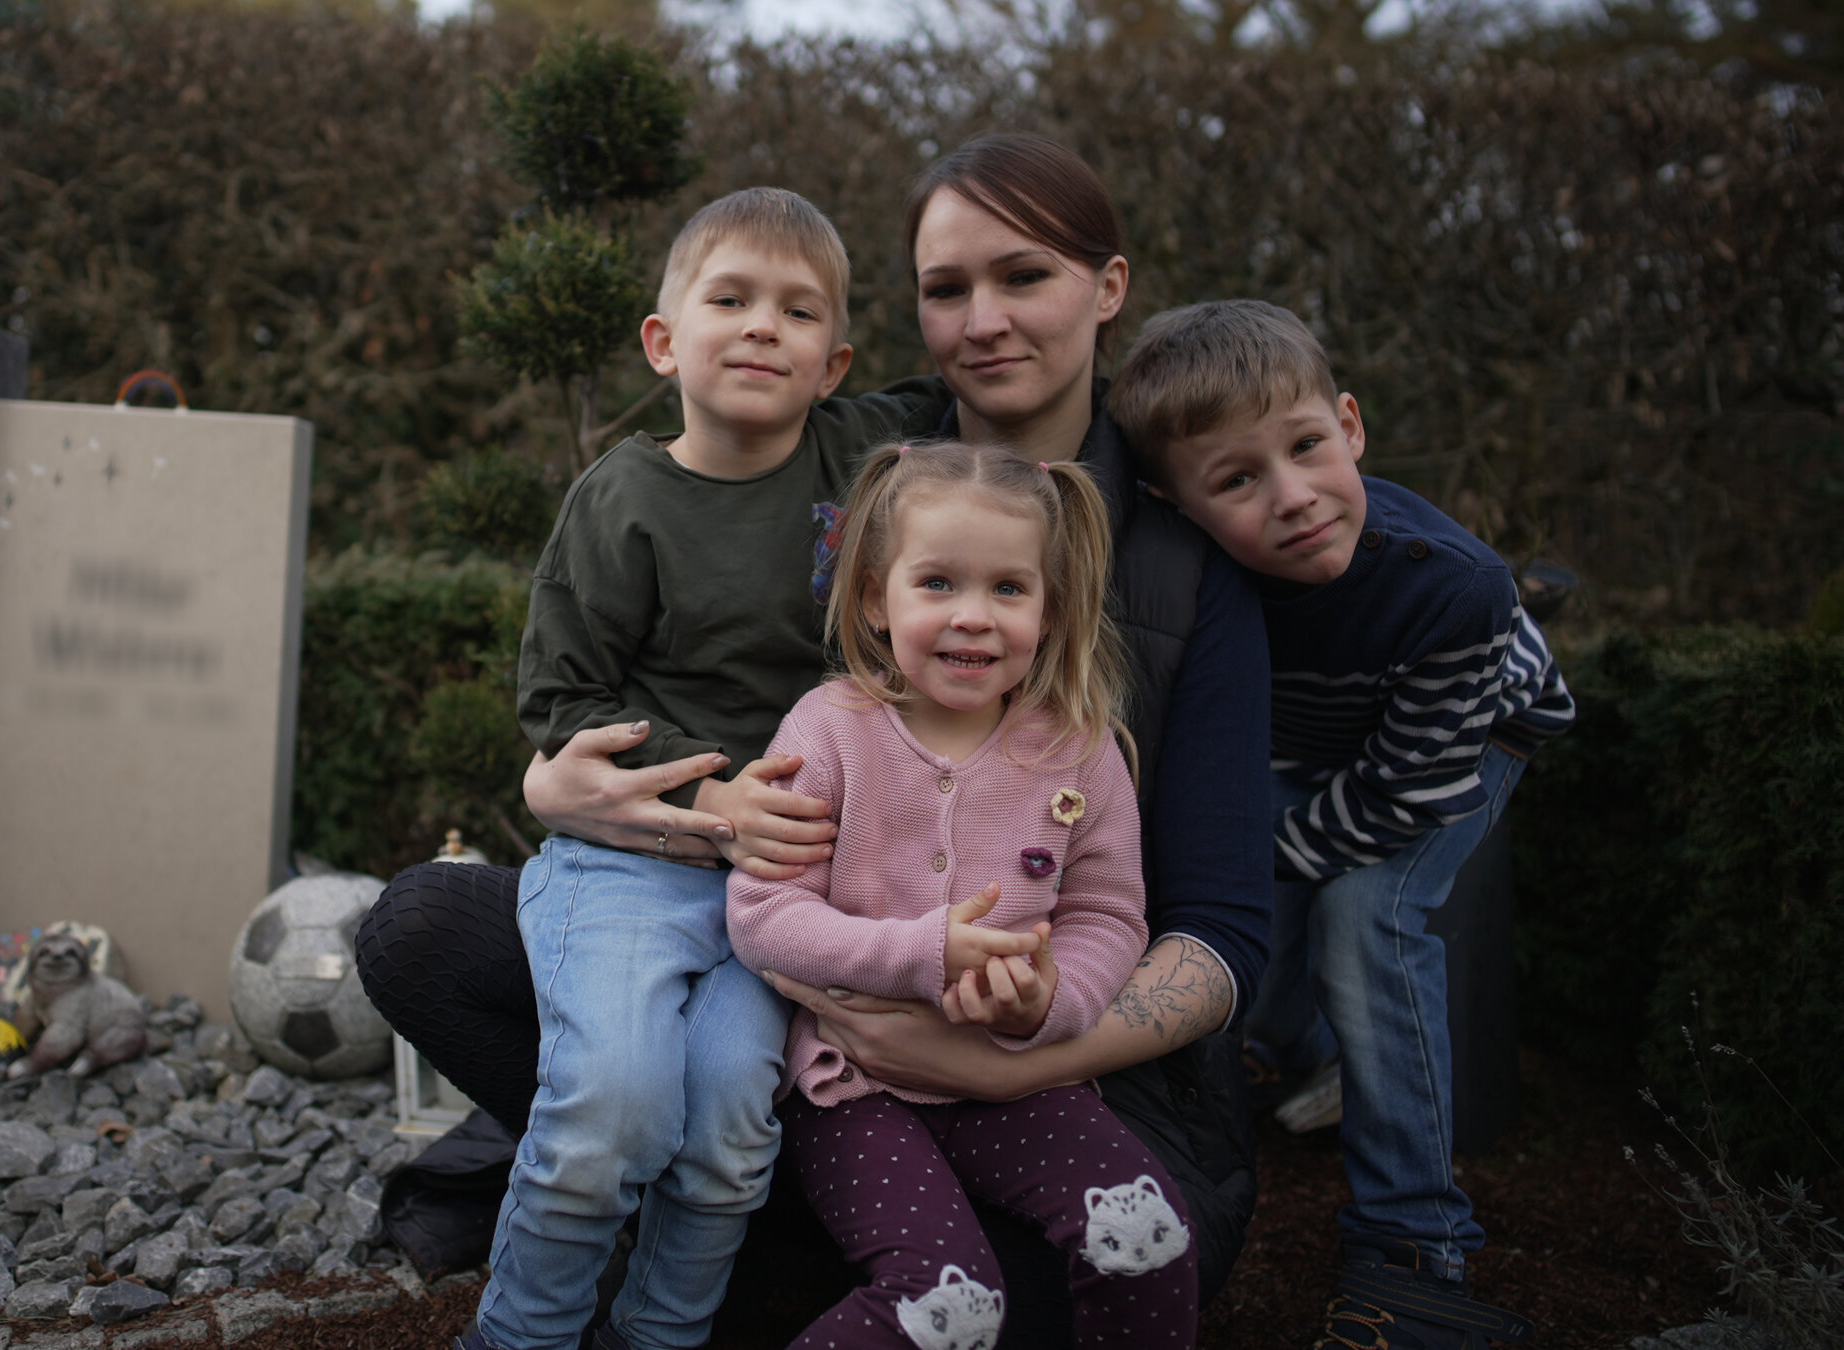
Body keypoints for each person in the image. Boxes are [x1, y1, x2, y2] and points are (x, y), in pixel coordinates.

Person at [360, 133, 1273, 1345]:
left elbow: (1218, 929)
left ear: (1105, 290)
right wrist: (573, 785)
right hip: (786, 960)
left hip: (1035, 1045)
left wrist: (1017, 1054)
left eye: (1024, 278)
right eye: (945, 290)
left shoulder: (1177, 554)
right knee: (424, 928)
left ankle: (753, 1250)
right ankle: (681, 1205)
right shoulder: (859, 452)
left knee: (1102, 1261)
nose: (983, 320)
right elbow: (619, 651)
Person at [469, 186, 946, 1350]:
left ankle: (660, 1337)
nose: (759, 328)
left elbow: (986, 388)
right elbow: (560, 701)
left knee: (732, 1128)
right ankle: (517, 1336)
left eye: (795, 313)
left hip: (778, 890)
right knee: (610, 1114)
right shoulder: (622, 500)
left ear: (831, 364)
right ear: (663, 340)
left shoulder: (858, 456)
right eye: (727, 299)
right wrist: (702, 798)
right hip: (634, 862)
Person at [1107, 298, 1573, 1348]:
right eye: (1234, 480)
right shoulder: (1202, 577)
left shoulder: (1452, 586)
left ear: (1349, 426)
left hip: (1466, 739)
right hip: (1320, 745)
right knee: (1227, 883)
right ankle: (1294, 1043)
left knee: (1363, 911)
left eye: (1307, 448)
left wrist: (1245, 861)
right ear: (1172, 506)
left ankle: (1414, 1242)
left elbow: (1400, 797)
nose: (1292, 499)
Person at [728, 440, 1197, 1348]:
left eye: (1009, 590)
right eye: (937, 583)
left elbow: (1108, 915)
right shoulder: (830, 731)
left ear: (1051, 606)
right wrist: (920, 950)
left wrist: (1046, 1003)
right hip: (853, 1087)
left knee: (1147, 1239)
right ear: (875, 597)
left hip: (1014, 1083)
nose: (973, 618)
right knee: (950, 1305)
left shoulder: (1081, 747)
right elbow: (761, 914)